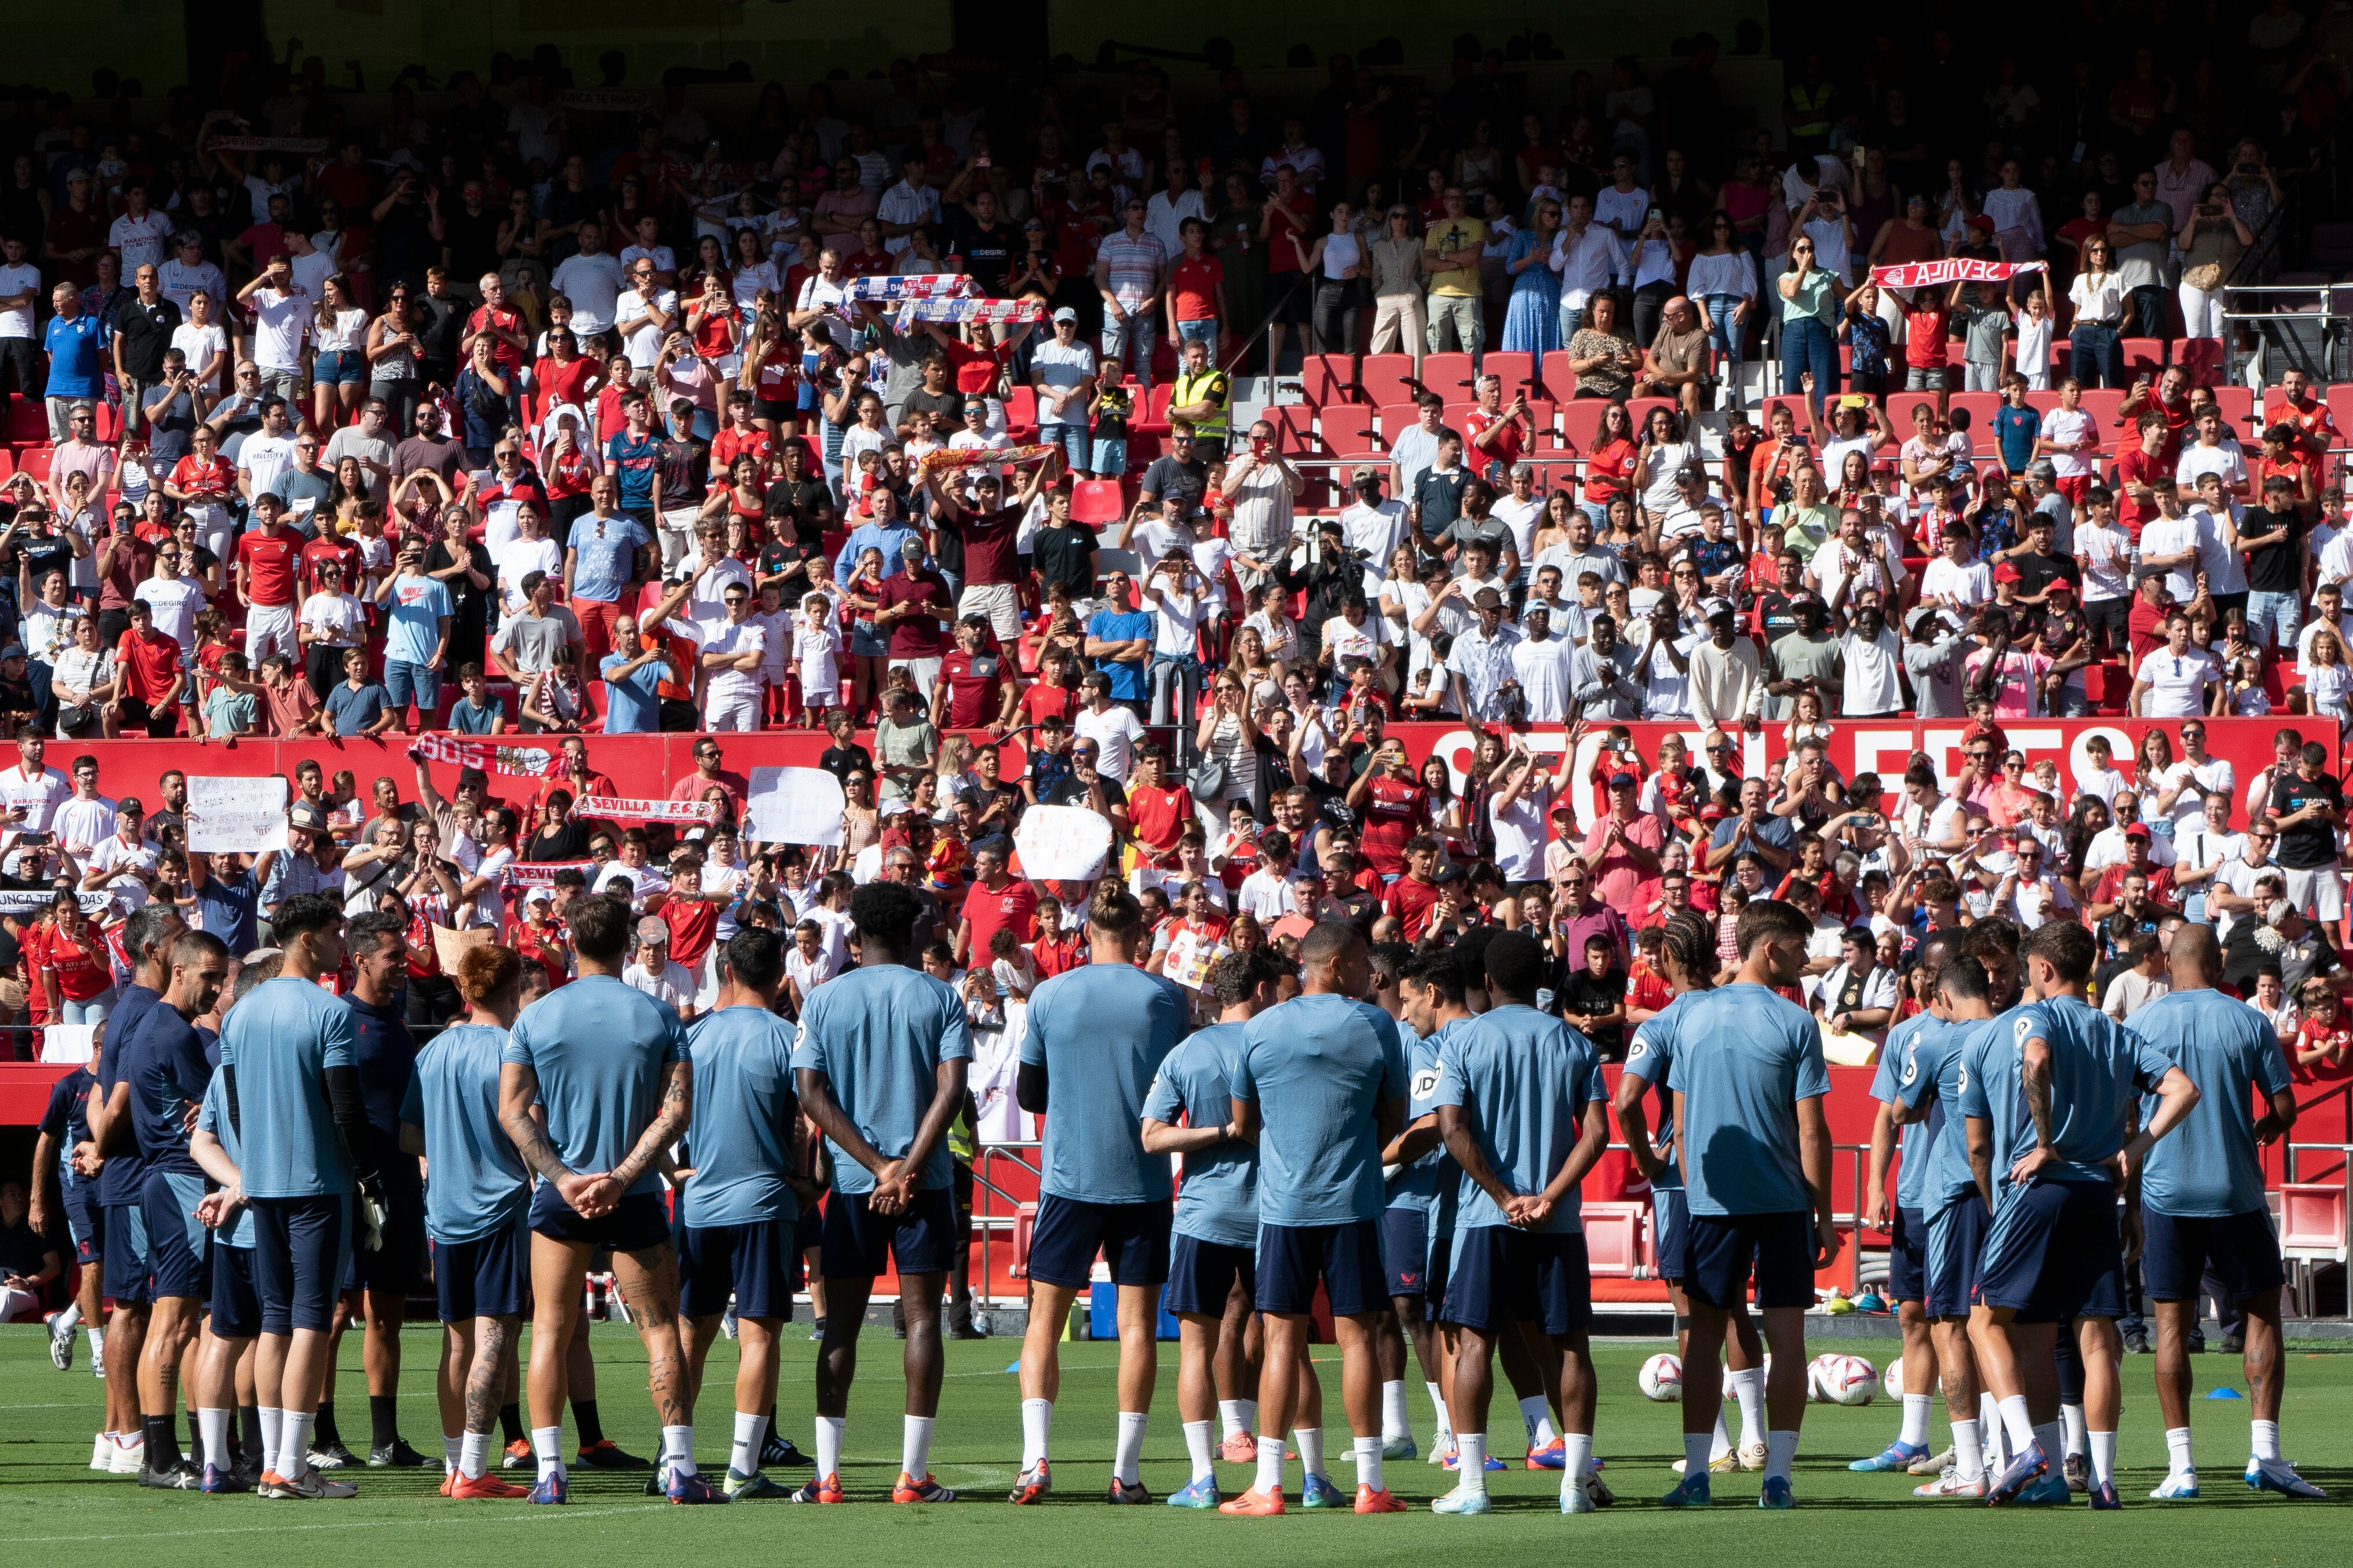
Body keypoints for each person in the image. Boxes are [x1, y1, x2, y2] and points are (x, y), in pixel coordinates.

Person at [1965, 920, 2199, 1509]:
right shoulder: (2115, 1031)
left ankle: (2023, 1449)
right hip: (2098, 1191)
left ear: (2041, 969)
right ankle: (2099, 1480)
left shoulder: (2038, 1018)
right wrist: (2135, 1149)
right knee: (2093, 1341)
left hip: (2039, 1187)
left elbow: (2035, 1060)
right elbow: (2182, 1089)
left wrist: (2043, 1141)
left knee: (1986, 1323)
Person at [497, 894, 710, 1504]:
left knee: (549, 1332)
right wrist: (620, 1176)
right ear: (626, 945)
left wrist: (563, 1178)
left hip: (563, 1197)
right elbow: (675, 1112)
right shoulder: (657, 1014)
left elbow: (512, 1112)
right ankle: (680, 1469)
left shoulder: (537, 1017)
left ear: (569, 940)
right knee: (661, 1331)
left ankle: (549, 1472)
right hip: (635, 1193)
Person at [789, 880, 972, 1505]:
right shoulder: (940, 996)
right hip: (926, 1181)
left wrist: (873, 1166)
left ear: (855, 933)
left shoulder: (823, 999)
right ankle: (912, 1475)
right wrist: (906, 1168)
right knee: (922, 1321)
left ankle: (829, 1476)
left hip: (850, 1184)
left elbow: (810, 1092)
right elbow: (951, 1092)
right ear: (911, 929)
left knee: (839, 1322)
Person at [1218, 921, 1410, 1517]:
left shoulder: (1261, 1028)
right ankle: (1369, 1484)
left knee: (1281, 1338)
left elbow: (1243, 1123)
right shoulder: (1376, 1024)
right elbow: (1392, 1119)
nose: (1370, 974)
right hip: (1352, 1203)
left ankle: (1269, 1484)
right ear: (1334, 963)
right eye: (1360, 961)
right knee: (1356, 1339)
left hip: (1283, 1207)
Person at [1654, 898, 1837, 1509]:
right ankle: (1777, 1476)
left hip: (1711, 1205)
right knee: (1787, 1337)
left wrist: (1693, 1184)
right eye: (1796, 947)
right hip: (1783, 1202)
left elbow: (1678, 1124)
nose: (1803, 960)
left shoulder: (1690, 1016)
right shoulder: (1794, 1022)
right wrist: (1823, 1215)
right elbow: (1811, 1131)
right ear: (1768, 948)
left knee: (1702, 1338)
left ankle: (1698, 1476)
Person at [1012, 883, 1191, 1505]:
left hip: (1069, 1178)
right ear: (1140, 934)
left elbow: (1029, 1095)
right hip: (1142, 1181)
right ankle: (1127, 1472)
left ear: (1086, 932)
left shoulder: (1050, 994)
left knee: (1044, 1319)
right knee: (1139, 1326)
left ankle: (1035, 1460)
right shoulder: (1166, 998)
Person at [1428, 931, 1610, 1516]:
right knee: (1569, 1346)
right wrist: (1549, 1196)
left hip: (1487, 1218)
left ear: (1486, 981)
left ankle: (1474, 1486)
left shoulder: (1462, 1040)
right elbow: (1597, 1134)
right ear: (1544, 981)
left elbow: (1451, 1128)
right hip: (1555, 1224)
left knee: (1474, 1342)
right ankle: (1573, 1483)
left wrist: (1504, 1195)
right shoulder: (1574, 1043)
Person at [216, 893, 382, 1501]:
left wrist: (251, 1167)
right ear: (307, 939)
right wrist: (370, 1178)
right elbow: (345, 1106)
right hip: (318, 1184)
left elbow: (234, 1109)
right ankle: (291, 1464)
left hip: (262, 1185)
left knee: (275, 1321)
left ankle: (272, 1463)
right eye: (335, 932)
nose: (343, 942)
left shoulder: (239, 1012)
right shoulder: (329, 1011)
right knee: (311, 1318)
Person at [674, 928, 819, 1501]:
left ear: (726, 971)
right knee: (758, 1335)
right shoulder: (789, 1037)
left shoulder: (693, 1037)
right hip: (763, 1202)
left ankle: (676, 1460)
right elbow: (814, 1116)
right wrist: (813, 1184)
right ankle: (740, 1468)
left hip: (701, 1203)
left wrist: (672, 1173)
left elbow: (663, 1115)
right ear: (781, 975)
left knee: (690, 1334)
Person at [396, 942, 533, 1500]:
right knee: (494, 1338)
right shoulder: (512, 1049)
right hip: (499, 1208)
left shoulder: (434, 1051)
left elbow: (409, 1136)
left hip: (446, 1212)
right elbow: (530, 1134)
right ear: (513, 986)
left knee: (456, 1342)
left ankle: (456, 1464)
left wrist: (451, 1153)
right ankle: (474, 1468)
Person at [1141, 948, 1277, 1507]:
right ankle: (1305, 1474)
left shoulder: (1187, 1052)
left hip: (1205, 1214)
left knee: (1195, 1347)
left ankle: (1202, 1476)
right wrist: (1237, 1129)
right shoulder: (1277, 1045)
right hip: (1275, 1212)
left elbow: (1152, 1136)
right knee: (1285, 1342)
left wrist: (1216, 1130)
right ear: (1262, 989)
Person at [121, 929, 233, 1490]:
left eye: (222, 977)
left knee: (183, 1322)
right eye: (209, 975)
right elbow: (214, 1116)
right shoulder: (175, 1034)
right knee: (174, 1320)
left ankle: (174, 1453)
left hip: (169, 1180)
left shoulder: (158, 1027)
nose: (215, 987)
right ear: (180, 970)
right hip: (182, 1181)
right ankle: (161, 1456)